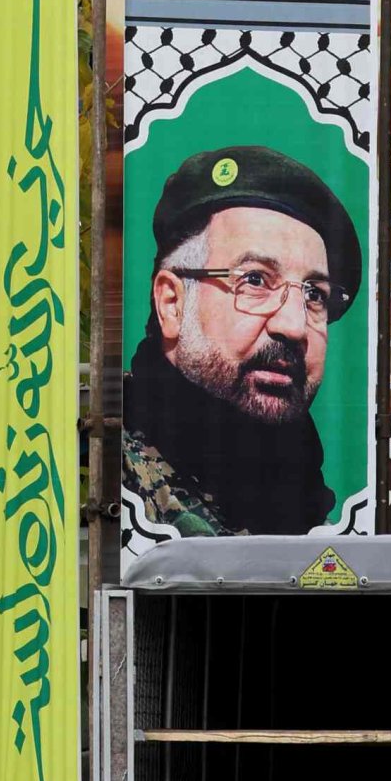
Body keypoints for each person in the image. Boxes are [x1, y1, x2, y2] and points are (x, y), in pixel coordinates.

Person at [123, 146, 364, 538]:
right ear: (172, 303)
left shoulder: (308, 508)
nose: (295, 326)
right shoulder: (100, 475)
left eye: (315, 294)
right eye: (255, 280)